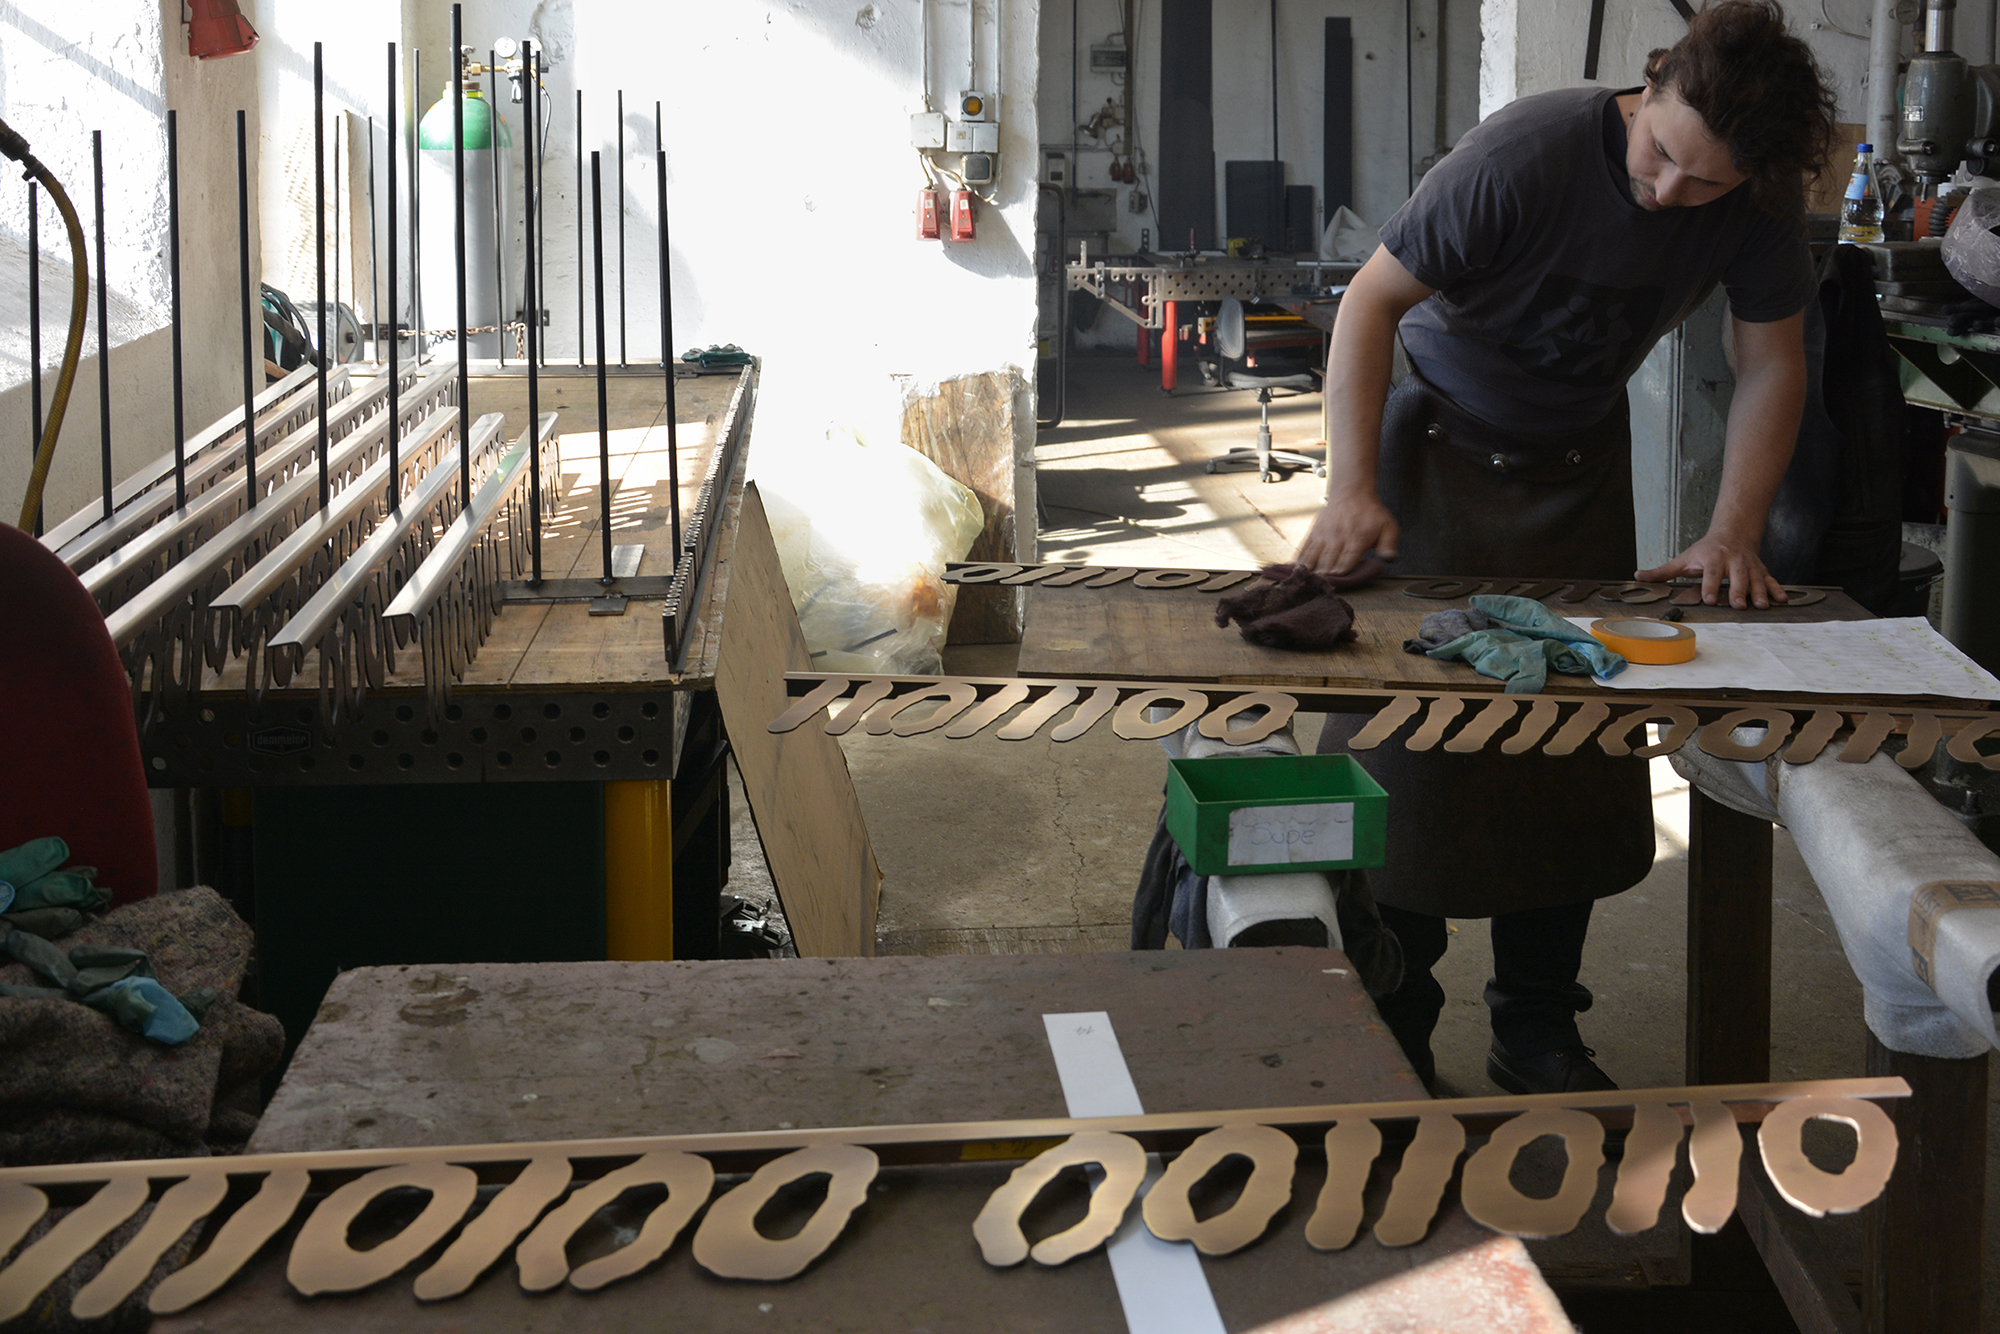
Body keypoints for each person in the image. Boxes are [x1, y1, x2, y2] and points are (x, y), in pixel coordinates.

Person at [1294, 0, 1838, 1093]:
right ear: (1652, 83)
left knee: (1567, 754)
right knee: (1408, 762)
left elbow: (1770, 361)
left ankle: (1535, 1028)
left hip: (1578, 474)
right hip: (1433, 455)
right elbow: (1369, 303)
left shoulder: (1761, 200)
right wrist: (1350, 487)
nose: (1664, 194)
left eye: (1702, 186)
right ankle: (1395, 1027)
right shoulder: (1520, 154)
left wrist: (1730, 529)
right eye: (1657, 156)